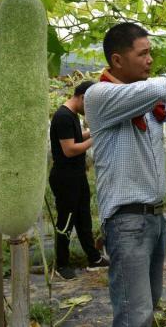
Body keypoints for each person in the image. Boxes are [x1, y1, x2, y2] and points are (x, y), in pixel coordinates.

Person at [84, 23, 166, 326]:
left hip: (154, 220)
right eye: (144, 53)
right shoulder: (100, 96)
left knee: (148, 307)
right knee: (134, 315)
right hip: (127, 223)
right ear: (117, 60)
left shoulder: (147, 105)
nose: (150, 59)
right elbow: (163, 87)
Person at [49, 80, 108, 280]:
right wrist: (96, 139)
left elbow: (76, 137)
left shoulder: (71, 115)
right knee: (66, 221)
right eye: (90, 104)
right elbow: (70, 149)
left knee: (84, 218)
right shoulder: (63, 117)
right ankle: (62, 264)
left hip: (76, 176)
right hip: (65, 178)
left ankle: (94, 258)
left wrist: (94, 132)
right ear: (83, 98)